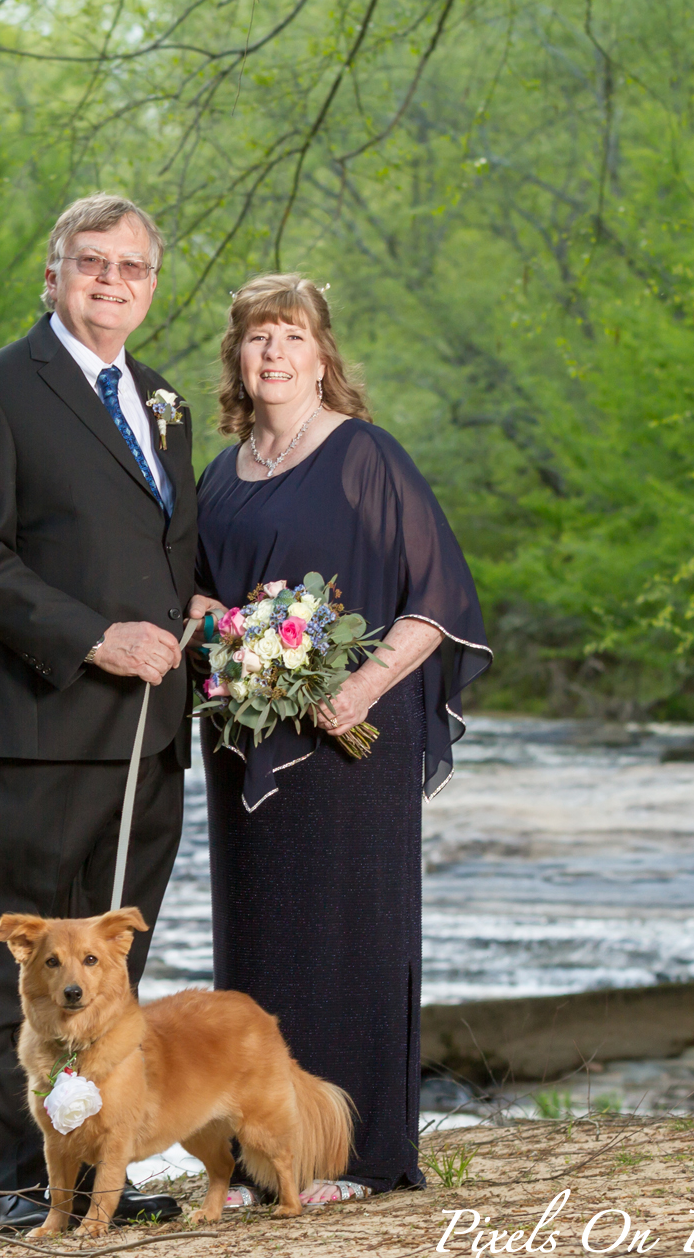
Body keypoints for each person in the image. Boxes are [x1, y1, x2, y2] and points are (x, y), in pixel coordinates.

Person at [187, 273, 490, 1203]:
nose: (272, 352)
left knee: (348, 938)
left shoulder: (365, 455)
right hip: (248, 735)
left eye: (290, 335)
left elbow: (437, 599)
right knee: (262, 945)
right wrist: (235, 643)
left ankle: (356, 1156)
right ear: (239, 359)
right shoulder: (219, 475)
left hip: (352, 729)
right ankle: (261, 1155)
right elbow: (197, 599)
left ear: (323, 357)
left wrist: (358, 686)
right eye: (256, 338)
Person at [0, 193, 197, 1232]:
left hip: (146, 737)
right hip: (37, 731)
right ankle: (7, 1185)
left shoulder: (162, 399)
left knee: (109, 981)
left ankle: (93, 1188)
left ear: (150, 286)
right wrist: (95, 636)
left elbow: (164, 554)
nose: (111, 281)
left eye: (131, 267)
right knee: (26, 973)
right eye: (92, 263)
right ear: (52, 272)